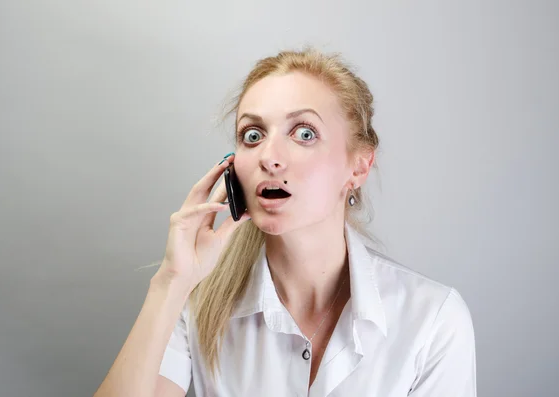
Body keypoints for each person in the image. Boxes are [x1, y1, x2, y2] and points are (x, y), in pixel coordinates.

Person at [93, 47, 476, 397]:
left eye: (304, 133)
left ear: (359, 165)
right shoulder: (196, 301)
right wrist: (171, 282)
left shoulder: (433, 319)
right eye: (253, 135)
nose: (269, 157)